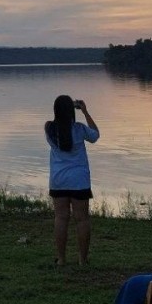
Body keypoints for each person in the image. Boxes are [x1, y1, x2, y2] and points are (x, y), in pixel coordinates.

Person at [45, 94, 99, 265]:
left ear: (55, 110)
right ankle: (83, 259)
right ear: (72, 110)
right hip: (79, 181)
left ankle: (61, 259)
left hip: (58, 180)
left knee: (61, 218)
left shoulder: (49, 129)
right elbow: (95, 135)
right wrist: (85, 111)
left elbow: (61, 129)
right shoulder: (80, 129)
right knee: (82, 219)